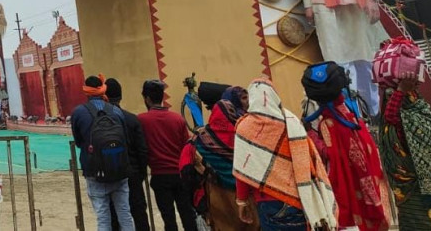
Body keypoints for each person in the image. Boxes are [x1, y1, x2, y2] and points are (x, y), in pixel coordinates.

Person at [232, 77, 336, 230]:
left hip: (267, 201)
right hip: (298, 197)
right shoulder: (290, 121)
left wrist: (242, 201)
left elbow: (243, 168)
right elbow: (307, 160)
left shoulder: (243, 127)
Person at [301, 62, 390, 231]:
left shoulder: (328, 124)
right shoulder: (350, 114)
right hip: (366, 178)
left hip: (348, 186)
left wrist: (310, 135)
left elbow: (329, 154)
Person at [378, 74, 431, 229]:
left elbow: (392, 116)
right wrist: (400, 91)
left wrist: (400, 90)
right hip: (412, 186)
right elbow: (391, 117)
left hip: (428, 185)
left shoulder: (419, 114)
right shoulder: (399, 119)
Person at [186, 86, 257, 231]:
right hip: (249, 197)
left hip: (218, 199)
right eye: (244, 98)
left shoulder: (201, 139)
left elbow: (186, 168)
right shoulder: (248, 131)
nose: (248, 102)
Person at [71, 74, 135, 231]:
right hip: (119, 169)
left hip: (94, 171)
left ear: (86, 91)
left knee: (103, 217)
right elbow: (126, 139)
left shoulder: (79, 112)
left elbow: (78, 142)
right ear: (102, 89)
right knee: (125, 213)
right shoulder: (116, 111)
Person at [138, 80, 196, 231]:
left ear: (147, 99)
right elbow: (187, 146)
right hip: (180, 173)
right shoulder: (178, 119)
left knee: (168, 217)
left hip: (160, 175)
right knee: (187, 214)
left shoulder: (142, 120)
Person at [104, 78, 150, 231]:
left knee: (113, 214)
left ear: (105, 97)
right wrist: (141, 173)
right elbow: (142, 150)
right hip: (133, 172)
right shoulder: (131, 119)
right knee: (139, 212)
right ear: (121, 96)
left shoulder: (100, 120)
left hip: (111, 174)